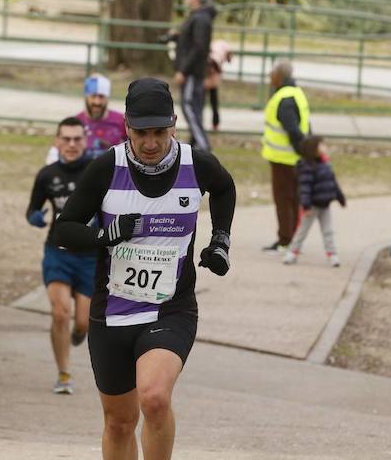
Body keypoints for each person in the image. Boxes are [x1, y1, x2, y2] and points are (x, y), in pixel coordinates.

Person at [54, 77, 236, 460]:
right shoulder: (107, 168)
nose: (151, 143)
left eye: (159, 132)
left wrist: (220, 239)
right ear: (127, 128)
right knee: (120, 422)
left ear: (173, 124)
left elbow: (224, 187)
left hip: (170, 308)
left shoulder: (196, 163)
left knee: (154, 398)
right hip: (112, 312)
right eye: (141, 133)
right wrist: (106, 235)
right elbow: (64, 230)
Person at [27, 116, 98, 394]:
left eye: (77, 139)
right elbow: (32, 208)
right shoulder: (47, 175)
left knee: (82, 321)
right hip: (58, 251)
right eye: (65, 139)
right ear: (57, 142)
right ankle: (64, 374)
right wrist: (35, 217)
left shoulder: (96, 171)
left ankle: (79, 333)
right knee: (60, 313)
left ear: (85, 141)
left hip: (91, 255)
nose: (71, 144)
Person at [261, 62, 310, 252]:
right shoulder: (296, 93)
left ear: (279, 77)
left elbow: (293, 130)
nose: (269, 77)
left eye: (272, 73)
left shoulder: (284, 98)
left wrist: (302, 151)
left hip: (285, 160)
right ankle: (292, 239)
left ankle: (286, 241)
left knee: (284, 200)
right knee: (294, 200)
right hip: (293, 159)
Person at [283, 135, 346, 266]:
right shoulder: (307, 167)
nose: (325, 147)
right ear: (313, 149)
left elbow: (333, 183)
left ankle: (332, 254)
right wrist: (306, 206)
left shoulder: (326, 163)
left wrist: (340, 198)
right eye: (321, 145)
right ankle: (292, 252)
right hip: (311, 207)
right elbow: (304, 188)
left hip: (325, 205)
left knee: (328, 231)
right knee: (302, 231)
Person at [172, 0, 216, 152]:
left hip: (192, 72)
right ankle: (195, 144)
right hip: (192, 71)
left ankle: (203, 146)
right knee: (193, 108)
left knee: (189, 106)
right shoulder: (197, 16)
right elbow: (192, 41)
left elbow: (199, 47)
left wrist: (184, 70)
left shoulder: (201, 18)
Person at [46, 74, 127, 163]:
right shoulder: (75, 123)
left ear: (107, 98)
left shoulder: (122, 121)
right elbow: (55, 154)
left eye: (101, 96)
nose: (97, 102)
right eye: (93, 96)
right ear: (86, 97)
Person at [204, 39, 232, 131]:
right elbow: (228, 60)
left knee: (210, 102)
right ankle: (215, 124)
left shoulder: (218, 47)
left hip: (210, 77)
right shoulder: (216, 59)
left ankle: (214, 123)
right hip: (210, 77)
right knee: (213, 102)